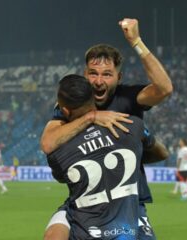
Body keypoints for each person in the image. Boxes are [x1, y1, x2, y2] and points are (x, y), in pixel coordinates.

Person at [41, 18, 172, 240]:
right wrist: (92, 117)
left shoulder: (128, 99)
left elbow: (164, 88)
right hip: (88, 203)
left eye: (107, 74)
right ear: (85, 74)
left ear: (118, 77)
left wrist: (136, 41)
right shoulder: (72, 106)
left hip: (128, 200)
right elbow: (48, 142)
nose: (98, 81)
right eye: (93, 73)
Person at [47, 74, 153, 239]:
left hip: (85, 228)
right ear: (93, 100)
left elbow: (60, 176)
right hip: (128, 221)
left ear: (65, 110)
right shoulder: (133, 125)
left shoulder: (59, 151)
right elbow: (156, 148)